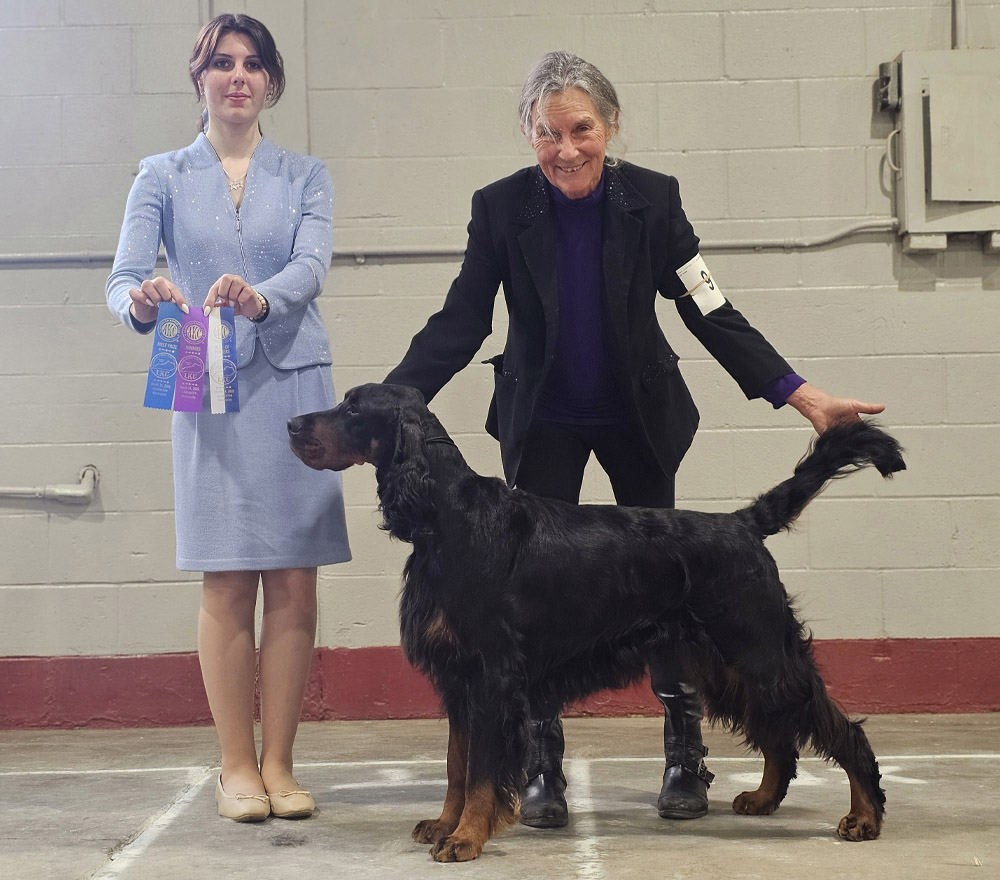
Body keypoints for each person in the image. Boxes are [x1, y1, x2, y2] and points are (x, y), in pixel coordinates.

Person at [384, 50, 885, 829]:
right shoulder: (501, 208)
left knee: (669, 589)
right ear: (528, 133)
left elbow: (708, 309)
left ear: (611, 125)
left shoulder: (653, 200)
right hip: (544, 421)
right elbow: (462, 320)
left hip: (638, 419)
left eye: (581, 129)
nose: (566, 150)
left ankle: (684, 751)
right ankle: (539, 767)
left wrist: (800, 393)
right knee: (534, 608)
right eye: (548, 133)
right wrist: (392, 403)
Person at [106, 14, 350, 823]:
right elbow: (123, 279)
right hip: (196, 366)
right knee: (226, 575)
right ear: (200, 78)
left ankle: (280, 764)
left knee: (295, 577)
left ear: (271, 81)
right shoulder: (160, 175)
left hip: (296, 378)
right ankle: (235, 766)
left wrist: (261, 296)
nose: (237, 76)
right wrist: (144, 302)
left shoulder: (307, 174)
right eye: (222, 63)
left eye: (251, 64)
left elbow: (311, 265)